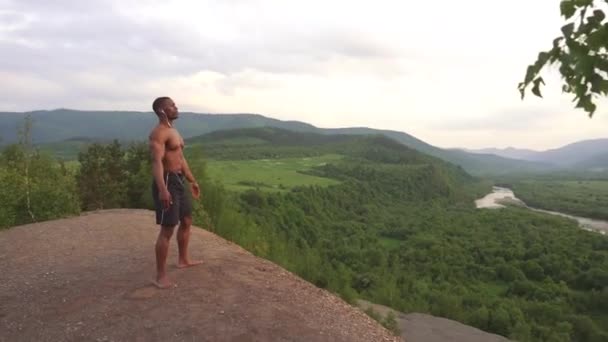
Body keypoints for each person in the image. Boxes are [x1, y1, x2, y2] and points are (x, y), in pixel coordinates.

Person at [149, 96, 202, 289]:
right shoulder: (158, 134)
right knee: (168, 228)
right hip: (168, 182)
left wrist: (192, 180)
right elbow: (156, 163)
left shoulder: (174, 131)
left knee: (187, 220)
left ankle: (183, 259)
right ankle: (160, 276)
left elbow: (181, 159)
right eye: (172, 105)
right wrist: (162, 189)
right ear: (162, 111)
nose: (176, 107)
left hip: (179, 181)